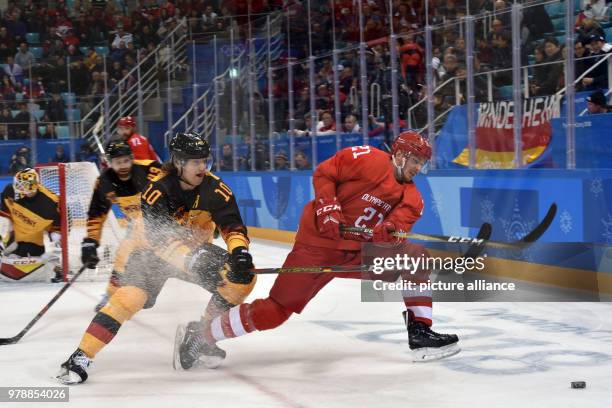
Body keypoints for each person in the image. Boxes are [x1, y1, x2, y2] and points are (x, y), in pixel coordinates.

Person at [188, 131, 459, 367]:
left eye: (422, 164)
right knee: (274, 312)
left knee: (415, 258)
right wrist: (328, 206)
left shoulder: (413, 198)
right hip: (316, 247)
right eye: (415, 161)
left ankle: (420, 332)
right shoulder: (367, 158)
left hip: (356, 254)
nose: (418, 168)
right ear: (399, 154)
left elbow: (398, 227)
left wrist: (387, 233)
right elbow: (326, 172)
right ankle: (202, 335)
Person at [57, 132, 256, 384]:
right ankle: (81, 355)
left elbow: (233, 227)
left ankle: (200, 336)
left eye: (205, 160)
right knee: (129, 298)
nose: (202, 167)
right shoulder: (157, 190)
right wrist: (190, 259)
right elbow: (159, 240)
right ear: (179, 162)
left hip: (196, 254)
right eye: (195, 161)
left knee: (242, 280)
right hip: (152, 255)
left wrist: (240, 252)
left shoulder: (216, 189)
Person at [81, 140, 162, 311]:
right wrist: (90, 241)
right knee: (124, 258)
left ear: (132, 159)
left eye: (126, 160)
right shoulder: (104, 182)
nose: (123, 166)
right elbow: (96, 215)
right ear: (109, 163)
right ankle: (114, 293)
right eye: (118, 162)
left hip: (166, 224)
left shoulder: (151, 170)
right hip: (138, 229)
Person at [0, 169, 62, 282]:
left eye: (23, 186)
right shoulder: (10, 191)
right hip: (18, 234)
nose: (19, 188)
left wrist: (55, 239)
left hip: (36, 239)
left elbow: (59, 225)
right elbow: (4, 216)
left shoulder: (51, 202)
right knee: (2, 221)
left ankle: (58, 265)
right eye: (18, 184)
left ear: (33, 186)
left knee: (56, 238)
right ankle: (9, 247)